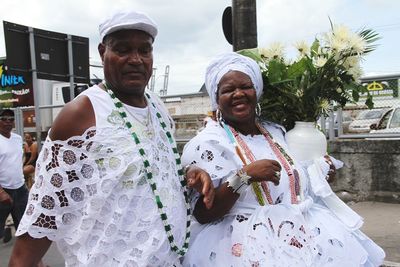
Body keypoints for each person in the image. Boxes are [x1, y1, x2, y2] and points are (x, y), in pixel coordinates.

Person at [9, 10, 214, 267]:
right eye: (123, 49)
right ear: (102, 51)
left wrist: (189, 173)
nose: (136, 59)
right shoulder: (81, 115)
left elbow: (149, 173)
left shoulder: (158, 107)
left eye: (145, 50)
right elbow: (44, 217)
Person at [181, 52, 385, 266]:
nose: (239, 93)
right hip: (242, 247)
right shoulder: (208, 143)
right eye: (228, 90)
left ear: (256, 91)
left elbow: (294, 186)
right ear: (217, 98)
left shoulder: (275, 131)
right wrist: (244, 176)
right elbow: (203, 213)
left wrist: (319, 174)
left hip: (303, 237)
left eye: (245, 87)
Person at [0, 107, 29, 244]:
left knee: (25, 230)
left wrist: (23, 171)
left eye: (11, 119)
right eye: (3, 119)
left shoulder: (17, 139)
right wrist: (1, 192)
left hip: (20, 190)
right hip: (3, 191)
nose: (8, 122)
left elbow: (14, 163)